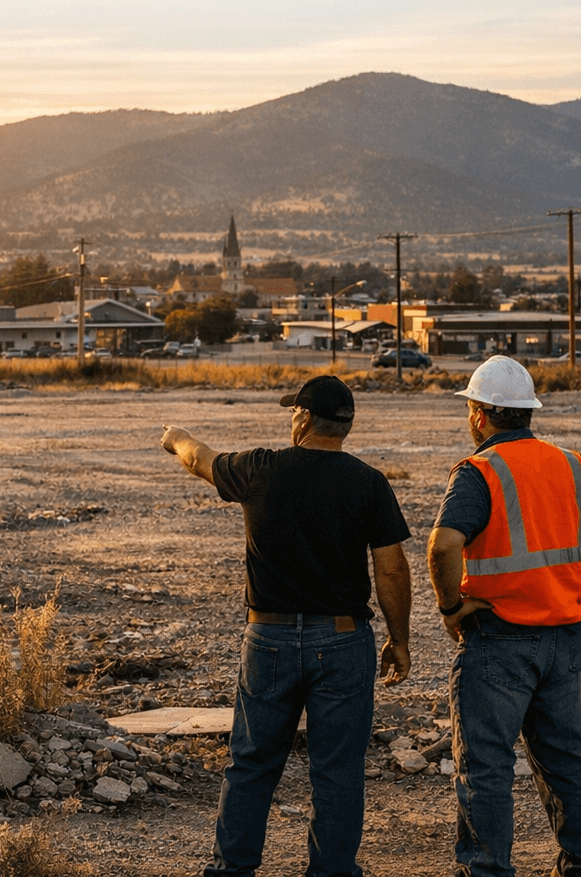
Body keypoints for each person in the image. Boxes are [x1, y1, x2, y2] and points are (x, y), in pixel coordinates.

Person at [160, 374, 413, 877]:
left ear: (301, 417)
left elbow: (198, 459)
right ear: (345, 425)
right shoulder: (369, 482)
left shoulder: (261, 468)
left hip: (268, 638)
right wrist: (399, 640)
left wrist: (174, 436)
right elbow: (391, 568)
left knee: (252, 765)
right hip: (343, 640)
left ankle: (232, 870)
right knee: (337, 774)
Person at [427, 356, 581, 877]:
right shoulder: (571, 464)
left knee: (486, 768)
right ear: (526, 412)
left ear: (480, 415)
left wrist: (451, 607)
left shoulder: (479, 471)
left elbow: (442, 545)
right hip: (563, 640)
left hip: (499, 640)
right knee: (565, 759)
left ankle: (487, 870)